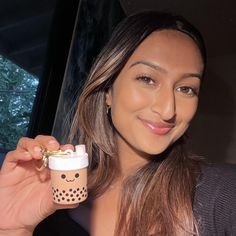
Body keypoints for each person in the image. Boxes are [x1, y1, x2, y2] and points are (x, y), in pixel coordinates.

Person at [0, 11, 236, 236]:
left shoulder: (222, 194)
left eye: (186, 88)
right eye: (147, 79)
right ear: (107, 91)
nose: (168, 110)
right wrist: (12, 229)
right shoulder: (53, 203)